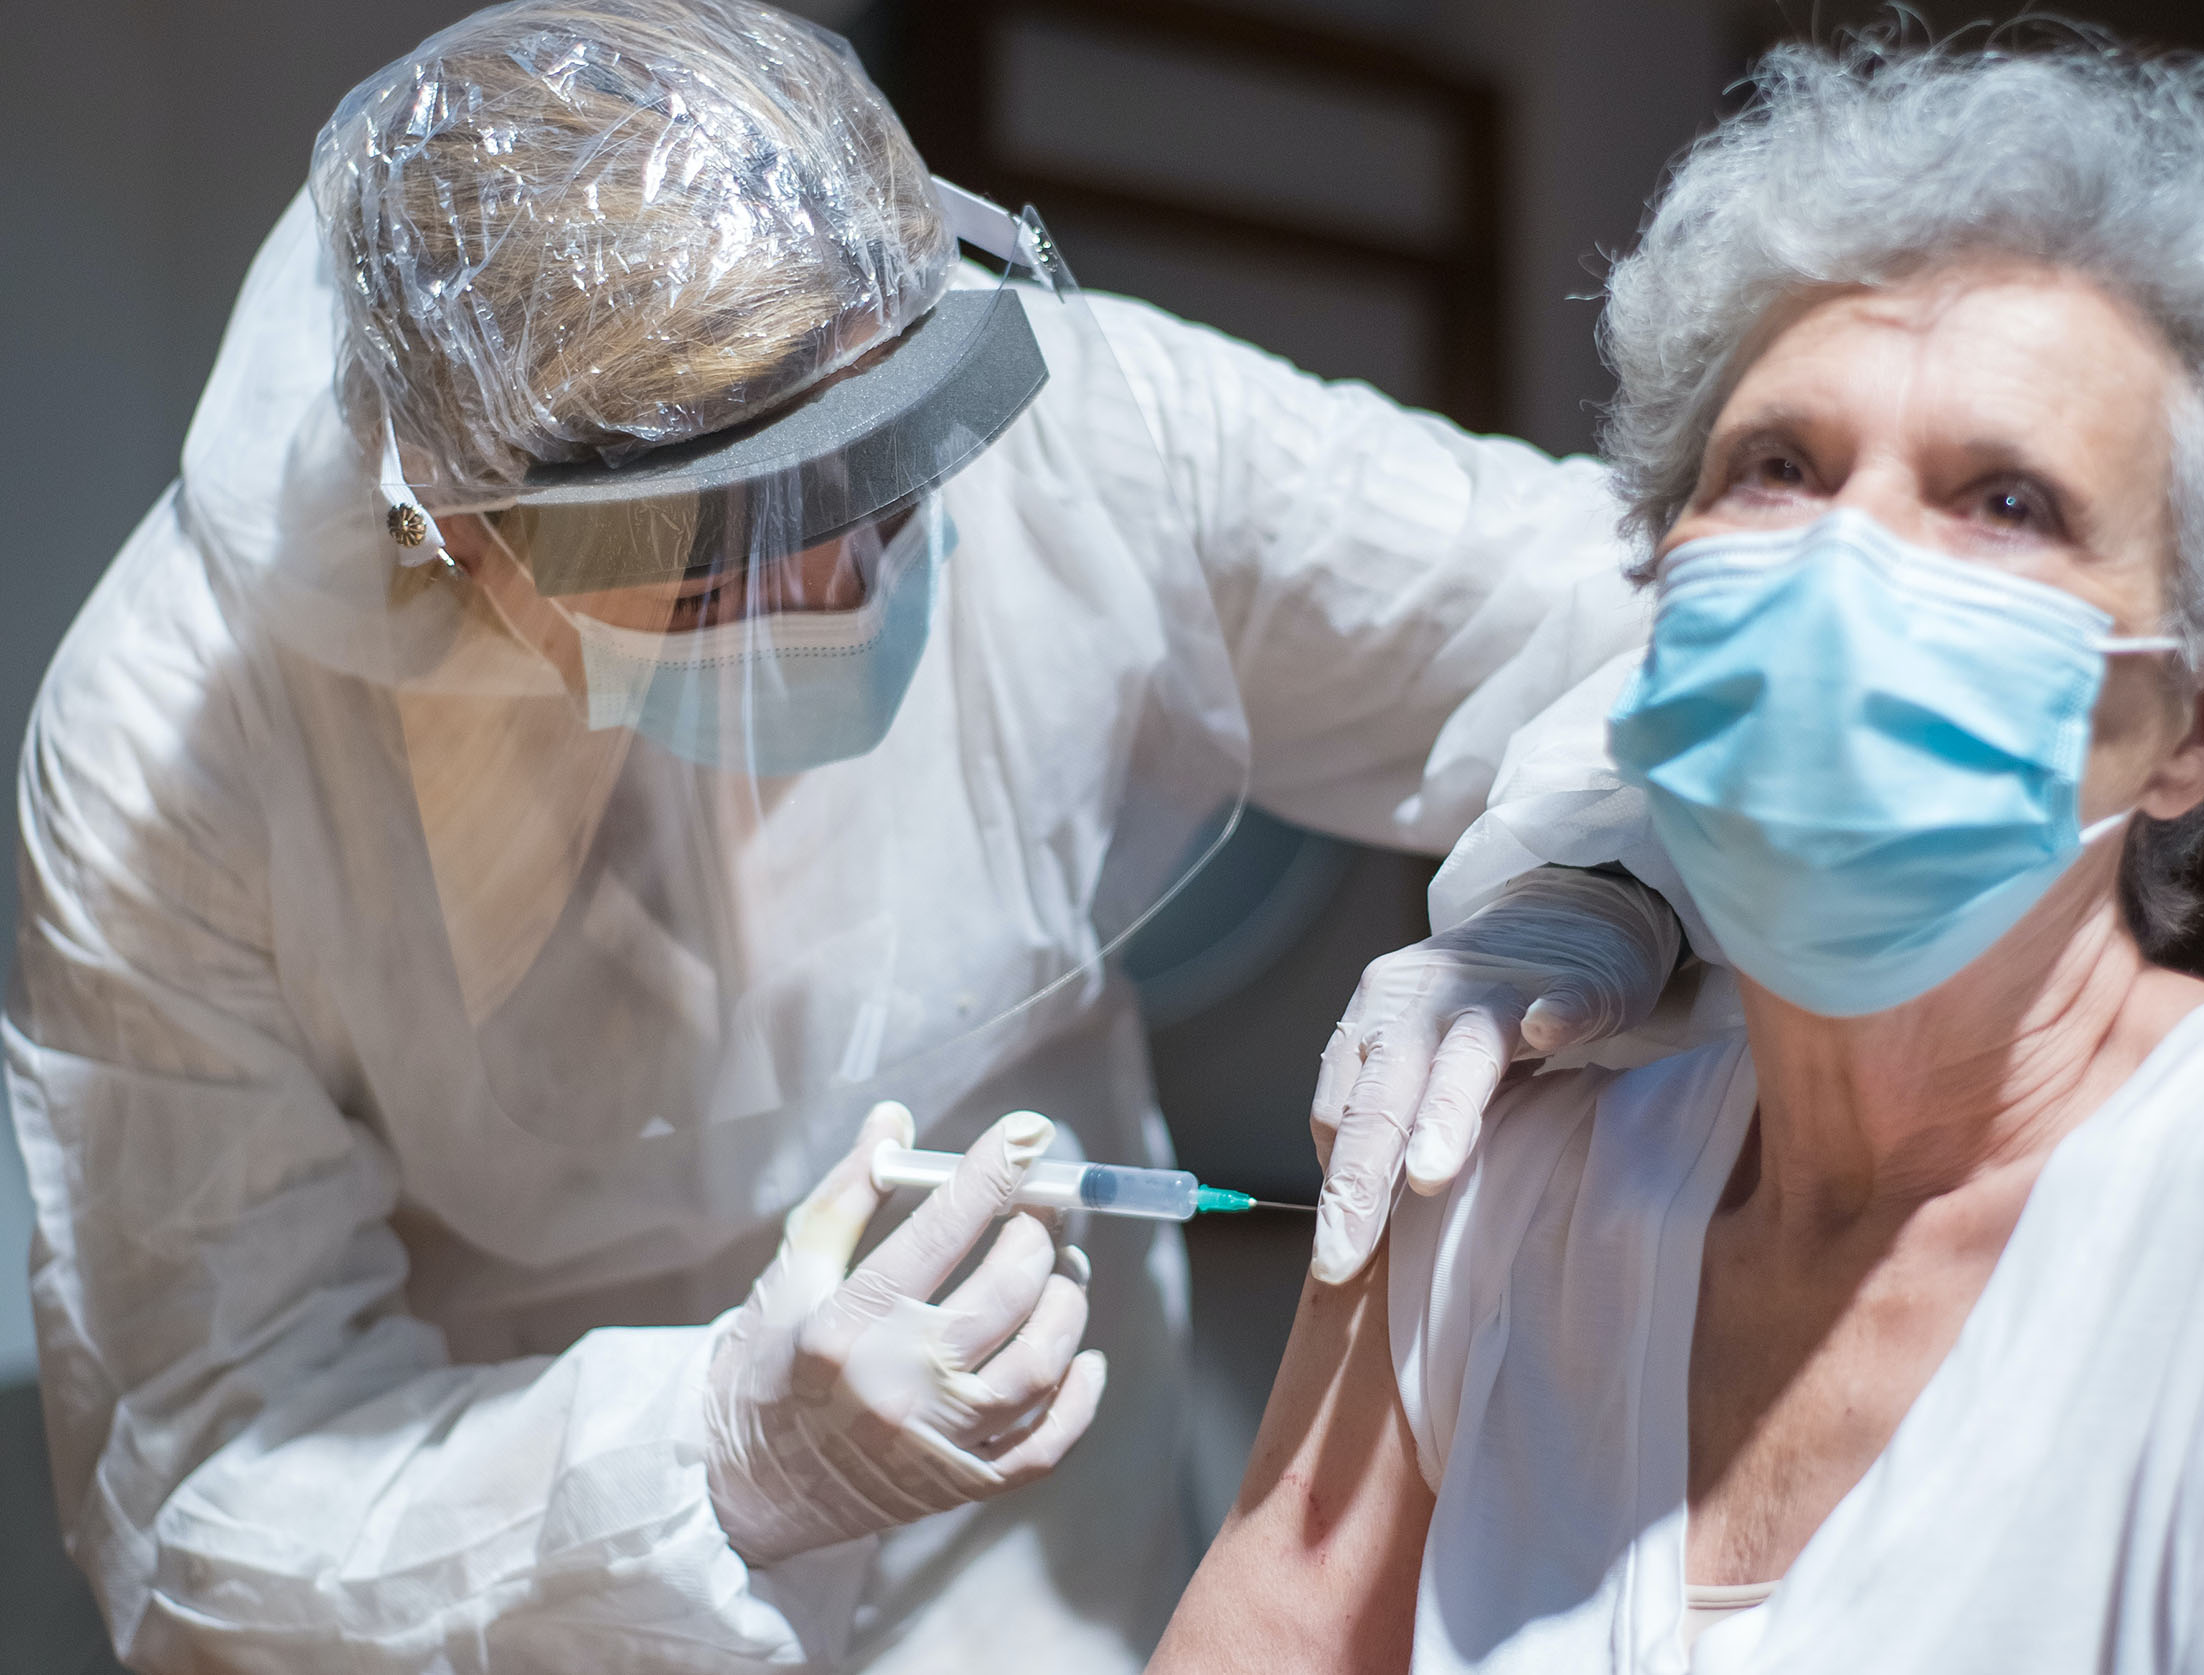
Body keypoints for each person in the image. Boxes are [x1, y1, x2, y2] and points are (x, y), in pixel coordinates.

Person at [3, 3, 1684, 1669]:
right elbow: (204, 1479)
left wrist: (1595, 873)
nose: (842, 584)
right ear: (458, 525)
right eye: (723, 544)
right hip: (529, 1610)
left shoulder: (1095, 440)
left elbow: (1654, 626)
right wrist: (710, 1461)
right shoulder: (183, 754)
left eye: (881, 471)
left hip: (1044, 1570)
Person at [1154, 34, 2204, 1675]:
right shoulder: (1501, 1185)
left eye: (2006, 502)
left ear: (2200, 716)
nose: (1846, 561)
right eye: (1778, 467)